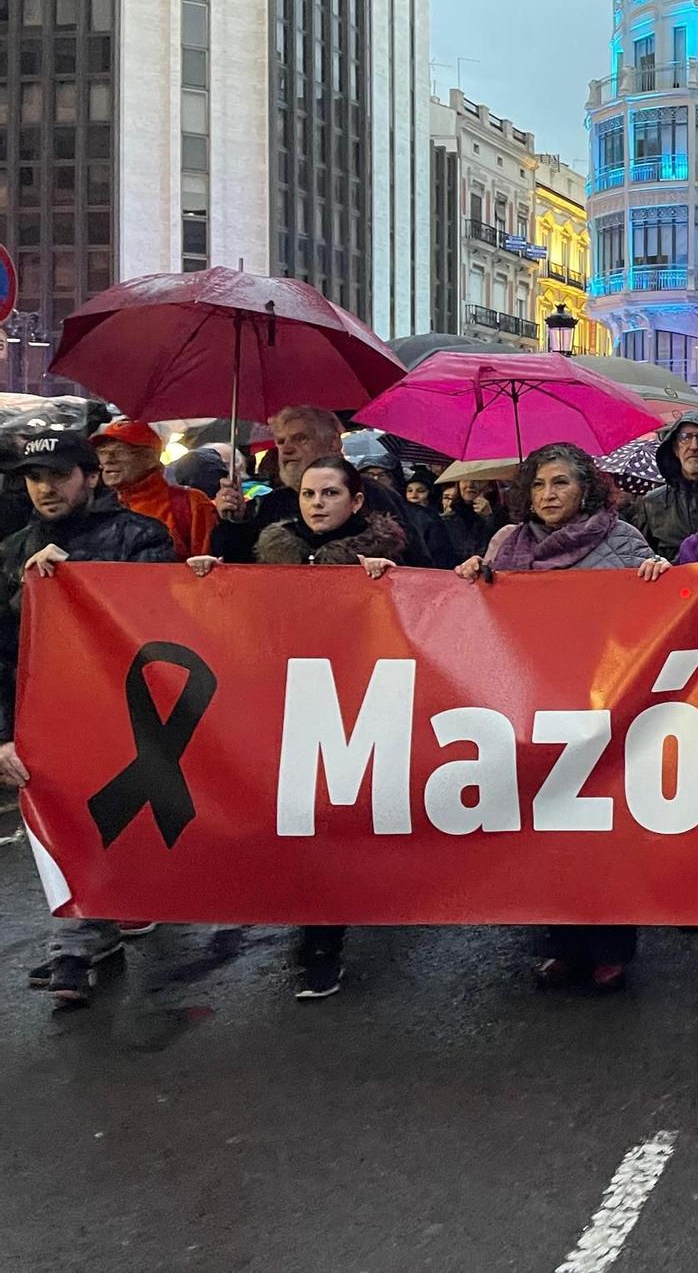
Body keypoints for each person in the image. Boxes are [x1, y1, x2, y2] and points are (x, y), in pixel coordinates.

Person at [186, 457, 406, 1001]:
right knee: (302, 818)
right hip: (287, 699)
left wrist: (393, 581)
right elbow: (227, 597)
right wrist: (217, 550)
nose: (317, 503)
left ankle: (323, 940)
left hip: (360, 700)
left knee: (336, 817)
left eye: (330, 493)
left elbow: (438, 600)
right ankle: (315, 932)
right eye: (309, 493)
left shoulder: (394, 551)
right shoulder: (270, 547)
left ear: (356, 502)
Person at [455, 443, 670, 993]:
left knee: (603, 828)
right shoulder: (508, 543)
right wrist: (474, 575)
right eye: (539, 485)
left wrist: (658, 573)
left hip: (602, 704)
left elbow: (659, 610)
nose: (548, 495)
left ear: (586, 490)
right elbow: (486, 616)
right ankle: (563, 943)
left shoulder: (621, 539)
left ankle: (611, 948)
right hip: (533, 702)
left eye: (560, 484)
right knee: (547, 827)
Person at [0, 433, 177, 1006]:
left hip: (120, 714)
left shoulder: (141, 537)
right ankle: (83, 935)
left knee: (101, 821)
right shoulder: (10, 553)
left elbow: (156, 623)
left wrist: (73, 580)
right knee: (61, 824)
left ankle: (75, 944)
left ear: (91, 477)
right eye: (34, 477)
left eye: (57, 475)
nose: (45, 488)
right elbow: (3, 650)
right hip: (42, 716)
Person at [211, 406, 451, 568]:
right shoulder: (270, 503)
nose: (287, 449)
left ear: (333, 443)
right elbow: (238, 568)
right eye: (281, 441)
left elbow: (418, 567)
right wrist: (234, 521)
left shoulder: (374, 495)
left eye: (300, 438)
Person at [89, 419, 218, 561]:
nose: (108, 460)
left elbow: (207, 568)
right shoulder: (93, 507)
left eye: (120, 451)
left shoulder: (191, 503)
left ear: (151, 458)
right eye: (102, 452)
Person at [633, 413, 698, 560]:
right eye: (685, 438)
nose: (694, 447)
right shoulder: (652, 503)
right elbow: (640, 559)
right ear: (675, 448)